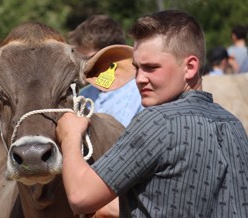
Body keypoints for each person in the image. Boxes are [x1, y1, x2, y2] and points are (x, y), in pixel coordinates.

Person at [56, 10, 248, 218]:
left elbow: (80, 196)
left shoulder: (157, 122)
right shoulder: (233, 124)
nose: (139, 78)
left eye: (151, 68)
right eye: (137, 68)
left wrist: (70, 136)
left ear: (190, 67)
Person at [68, 14, 144, 128]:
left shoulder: (141, 94)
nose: (83, 67)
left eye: (90, 59)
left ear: (114, 55)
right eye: (79, 59)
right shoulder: (83, 96)